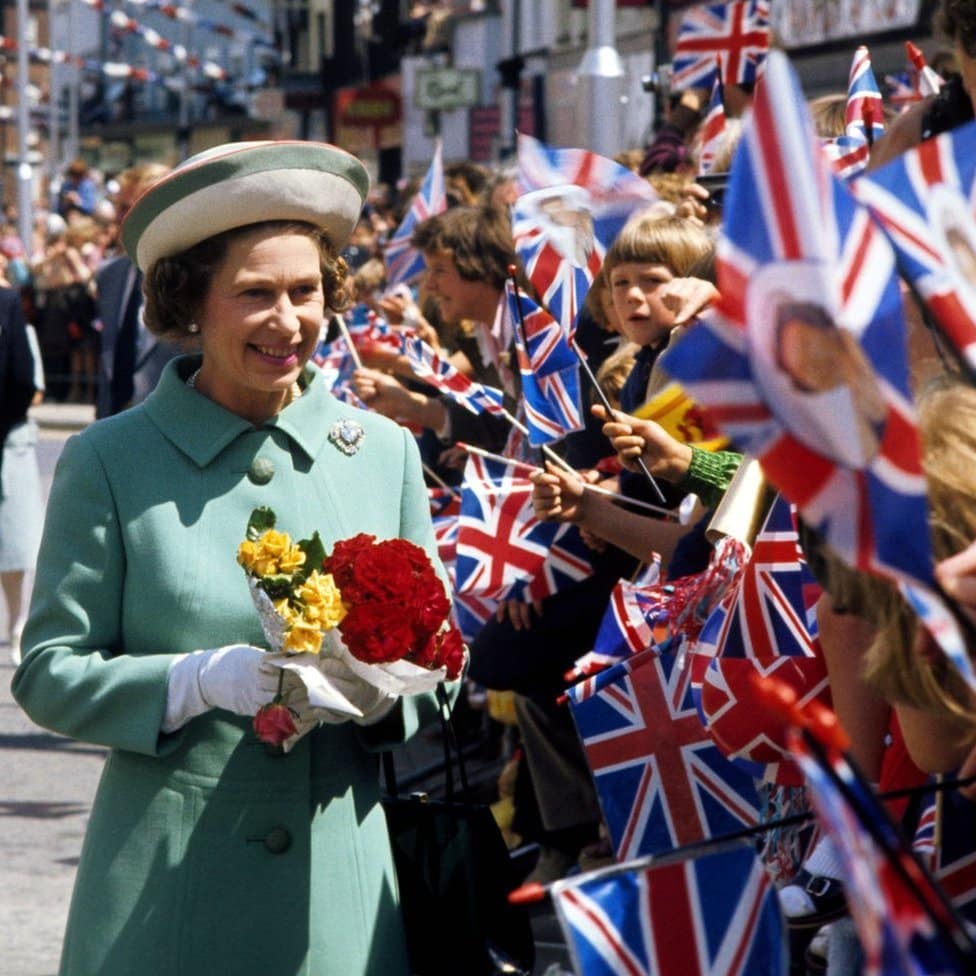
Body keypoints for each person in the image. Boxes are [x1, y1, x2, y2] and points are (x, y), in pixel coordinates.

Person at [12, 140, 458, 976]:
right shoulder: (111, 460)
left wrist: (377, 691)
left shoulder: (384, 452)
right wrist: (191, 681)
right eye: (254, 294)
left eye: (306, 292)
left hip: (339, 886)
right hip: (165, 886)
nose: (287, 322)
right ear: (192, 304)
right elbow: (47, 672)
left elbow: (442, 661)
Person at [94, 162, 180, 418]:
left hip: (177, 432)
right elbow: (109, 366)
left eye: (125, 208)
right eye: (118, 207)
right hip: (115, 431)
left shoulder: (195, 275)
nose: (117, 218)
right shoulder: (109, 274)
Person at [0, 272, 39, 664]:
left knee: (11, 542)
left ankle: (17, 623)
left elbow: (24, 379)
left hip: (8, 440)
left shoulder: (7, 303)